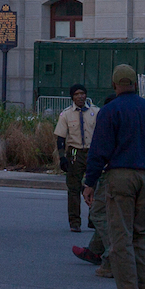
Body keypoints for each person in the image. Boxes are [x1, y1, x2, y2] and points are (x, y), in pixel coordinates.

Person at [82, 64, 145, 289]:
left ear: (115, 84)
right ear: (134, 84)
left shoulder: (110, 111)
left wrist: (90, 182)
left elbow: (100, 149)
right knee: (140, 234)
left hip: (121, 175)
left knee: (121, 237)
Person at [55, 84, 100, 233]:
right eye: (77, 94)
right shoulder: (66, 114)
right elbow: (60, 137)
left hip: (92, 152)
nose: (80, 96)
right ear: (72, 97)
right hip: (75, 152)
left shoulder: (96, 112)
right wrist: (62, 158)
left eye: (83, 93)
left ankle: (94, 219)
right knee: (73, 188)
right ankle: (74, 221)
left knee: (95, 186)